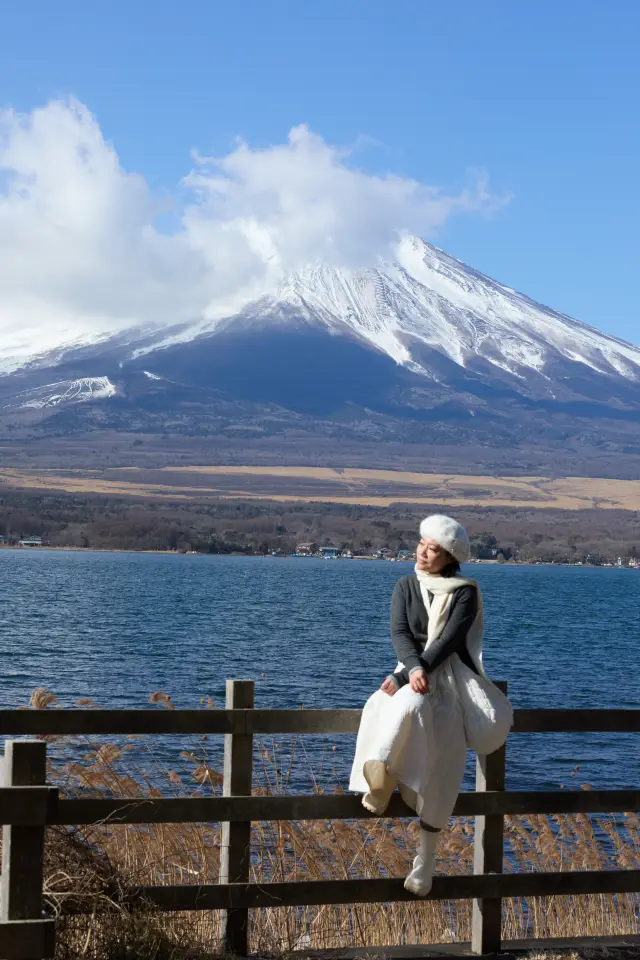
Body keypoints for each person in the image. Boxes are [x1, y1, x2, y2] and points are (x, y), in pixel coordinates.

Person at [349, 514, 484, 897]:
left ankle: (387, 777)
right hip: (411, 669)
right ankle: (379, 778)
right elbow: (400, 632)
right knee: (376, 705)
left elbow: (450, 640)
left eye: (434, 549)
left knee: (417, 716)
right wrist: (408, 669)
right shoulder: (406, 585)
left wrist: (415, 674)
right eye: (422, 544)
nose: (423, 553)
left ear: (450, 557)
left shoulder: (465, 592)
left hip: (446, 676)